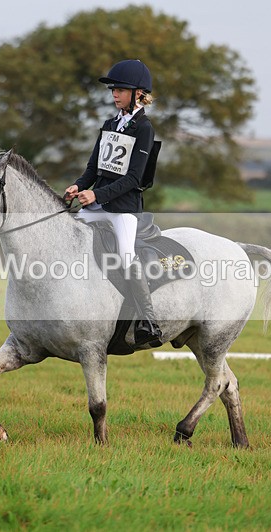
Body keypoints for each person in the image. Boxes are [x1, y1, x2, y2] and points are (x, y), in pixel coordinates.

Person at [64, 59, 162, 347]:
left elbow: (134, 177)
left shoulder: (144, 128)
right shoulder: (109, 124)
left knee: (126, 255)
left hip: (124, 209)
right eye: (113, 90)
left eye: (120, 89)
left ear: (138, 94)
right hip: (98, 206)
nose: (114, 94)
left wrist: (97, 195)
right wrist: (79, 185)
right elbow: (94, 168)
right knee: (68, 235)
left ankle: (148, 320)